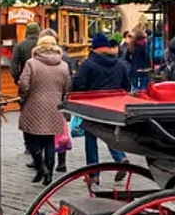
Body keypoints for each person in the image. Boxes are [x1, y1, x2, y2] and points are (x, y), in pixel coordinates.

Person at [18, 34, 72, 185]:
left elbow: (23, 84)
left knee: (30, 137)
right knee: (49, 140)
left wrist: (23, 97)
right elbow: (68, 87)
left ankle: (41, 166)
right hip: (54, 107)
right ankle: (49, 173)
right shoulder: (63, 66)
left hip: (33, 105)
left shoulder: (31, 63)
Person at [71, 32, 130, 165]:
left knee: (91, 137)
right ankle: (120, 157)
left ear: (94, 48)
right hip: (114, 107)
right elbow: (127, 86)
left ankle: (94, 173)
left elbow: (78, 85)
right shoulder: (120, 64)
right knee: (110, 134)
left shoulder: (88, 64)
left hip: (92, 108)